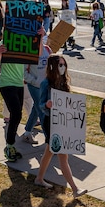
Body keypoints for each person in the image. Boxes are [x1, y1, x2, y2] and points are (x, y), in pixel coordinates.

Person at [33, 55, 88, 199]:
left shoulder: (64, 82)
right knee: (63, 155)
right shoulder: (46, 83)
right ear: (52, 67)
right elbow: (40, 104)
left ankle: (39, 178)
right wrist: (47, 105)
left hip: (63, 122)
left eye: (64, 65)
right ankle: (75, 189)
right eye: (60, 65)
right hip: (51, 122)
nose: (63, 68)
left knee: (50, 152)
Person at [0, 38, 25, 162]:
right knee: (16, 114)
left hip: (19, 84)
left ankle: (11, 145)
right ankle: (9, 145)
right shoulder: (3, 43)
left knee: (17, 116)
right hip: (6, 83)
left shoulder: (24, 42)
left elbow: (37, 54)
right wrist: (0, 54)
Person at [22, 28, 51, 144]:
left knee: (36, 108)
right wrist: (34, 81)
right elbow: (24, 72)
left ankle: (27, 132)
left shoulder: (48, 50)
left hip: (46, 85)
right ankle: (49, 138)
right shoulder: (29, 52)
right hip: (34, 86)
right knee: (42, 110)